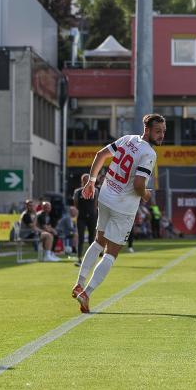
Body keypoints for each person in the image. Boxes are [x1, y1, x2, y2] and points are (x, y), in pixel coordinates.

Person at [72, 114, 164, 313]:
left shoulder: (127, 139)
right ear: (147, 130)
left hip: (105, 197)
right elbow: (139, 185)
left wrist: (91, 182)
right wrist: (146, 195)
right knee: (111, 253)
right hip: (123, 207)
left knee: (98, 241)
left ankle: (79, 283)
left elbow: (100, 155)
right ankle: (86, 293)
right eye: (158, 131)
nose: (161, 135)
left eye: (163, 132)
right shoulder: (149, 153)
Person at [73, 174, 98, 259]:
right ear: (82, 181)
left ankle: (90, 258)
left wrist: (92, 212)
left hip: (92, 216)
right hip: (81, 217)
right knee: (81, 237)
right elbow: (76, 203)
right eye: (84, 180)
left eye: (88, 179)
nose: (86, 181)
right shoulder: (78, 191)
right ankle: (79, 257)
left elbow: (96, 203)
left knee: (92, 237)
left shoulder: (95, 190)